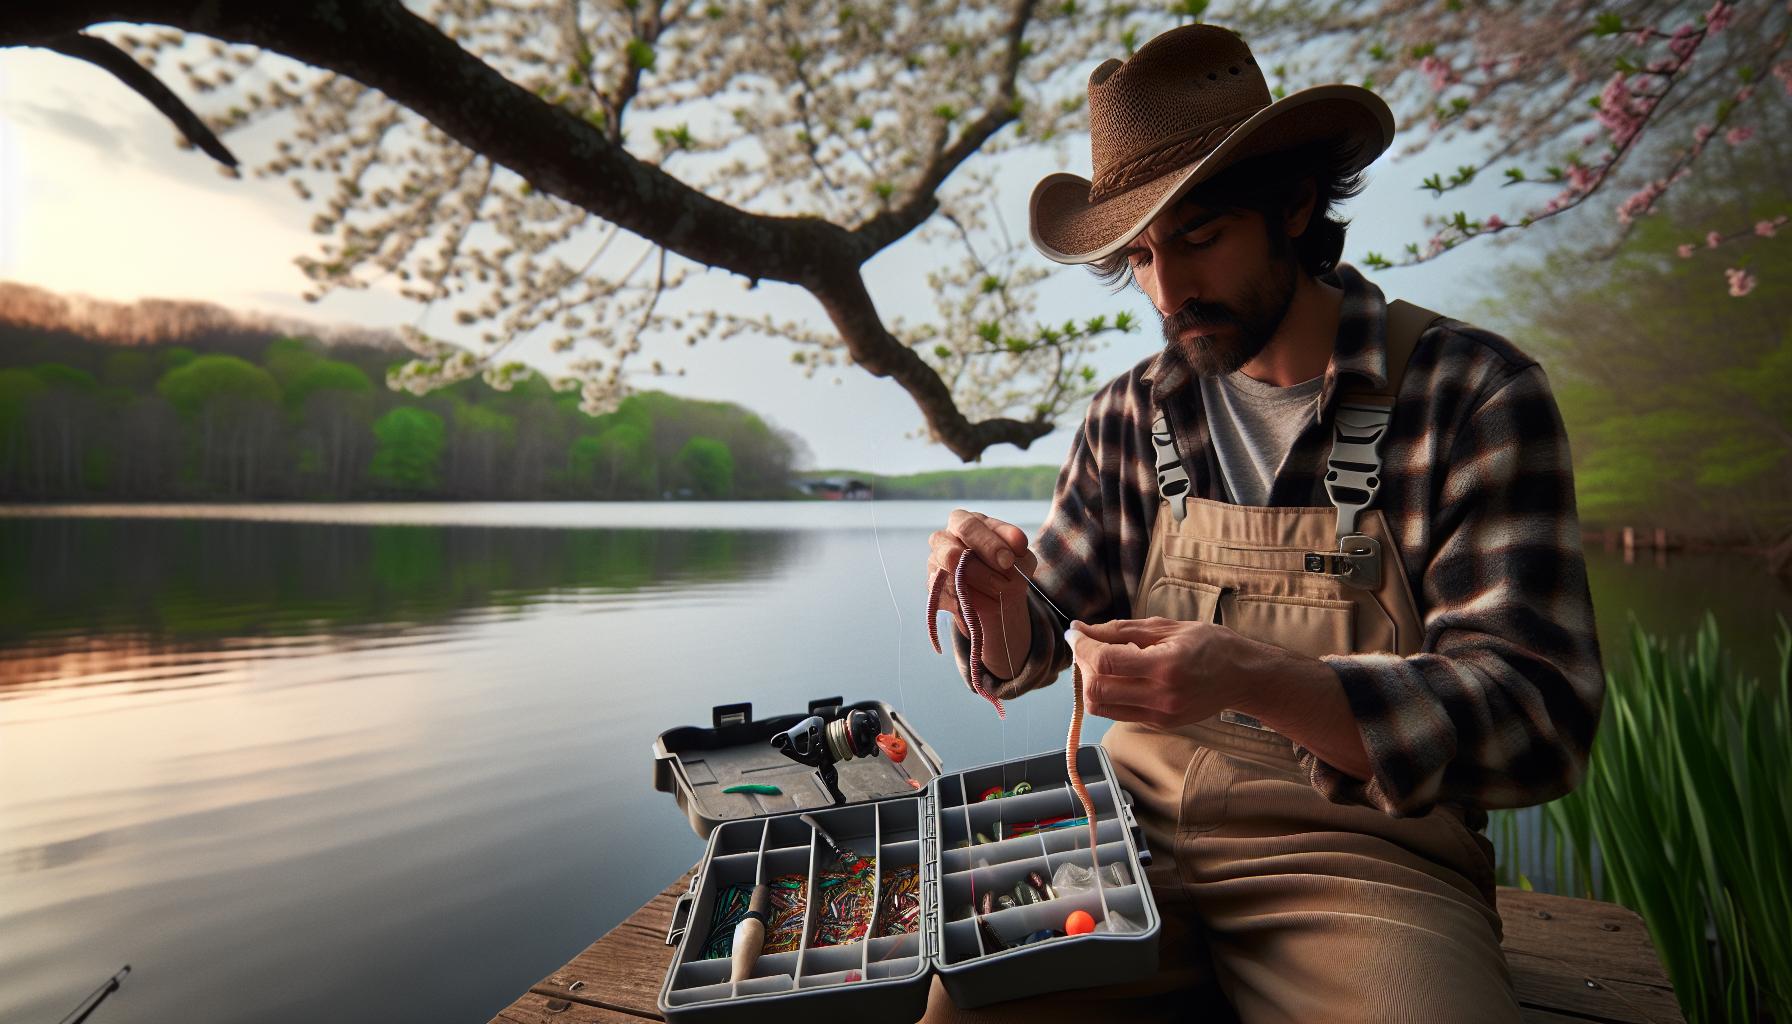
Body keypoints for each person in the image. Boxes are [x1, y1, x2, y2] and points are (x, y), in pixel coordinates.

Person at [922, 22, 1605, 1024]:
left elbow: (1538, 718)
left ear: (1294, 203)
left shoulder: (1471, 393)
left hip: (1368, 855)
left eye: (1199, 238)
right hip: (1128, 835)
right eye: (1141, 255)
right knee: (957, 1008)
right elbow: (1036, 638)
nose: (1167, 291)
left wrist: (1259, 679)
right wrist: (991, 604)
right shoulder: (1129, 415)